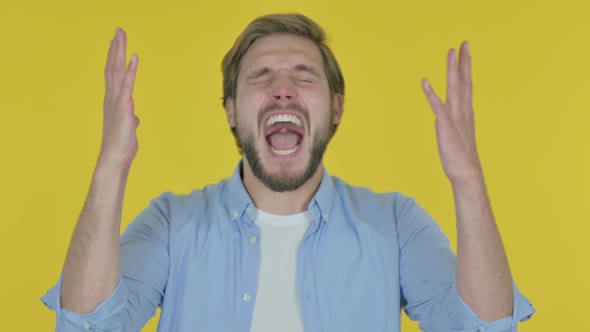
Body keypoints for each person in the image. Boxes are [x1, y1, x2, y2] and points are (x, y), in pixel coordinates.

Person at [42, 13, 535, 332]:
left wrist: (468, 182)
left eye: (304, 75)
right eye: (261, 76)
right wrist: (110, 170)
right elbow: (88, 324)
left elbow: (484, 326)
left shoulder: (395, 223)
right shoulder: (173, 223)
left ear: (336, 107)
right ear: (232, 110)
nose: (283, 90)